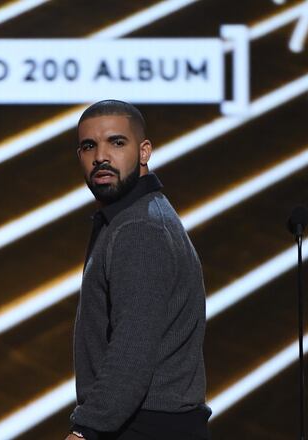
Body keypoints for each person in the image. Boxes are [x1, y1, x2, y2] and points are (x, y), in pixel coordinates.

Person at [65, 100, 211, 440]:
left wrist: (85, 431)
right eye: (89, 146)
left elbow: (131, 353)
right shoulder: (132, 218)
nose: (101, 156)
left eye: (117, 142)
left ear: (144, 151)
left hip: (145, 427)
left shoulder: (139, 230)